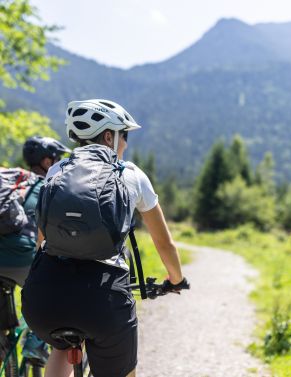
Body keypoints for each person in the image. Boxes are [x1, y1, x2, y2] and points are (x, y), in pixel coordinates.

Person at [21, 99, 189, 377]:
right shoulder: (131, 174)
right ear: (109, 136)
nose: (125, 144)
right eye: (125, 136)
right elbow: (164, 243)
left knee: (60, 347)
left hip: (44, 298)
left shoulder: (56, 171)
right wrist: (175, 279)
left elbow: (42, 240)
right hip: (103, 300)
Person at [0, 136, 70, 359]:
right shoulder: (47, 186)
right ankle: (36, 341)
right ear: (48, 163)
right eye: (57, 160)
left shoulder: (9, 179)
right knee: (54, 289)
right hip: (23, 260)